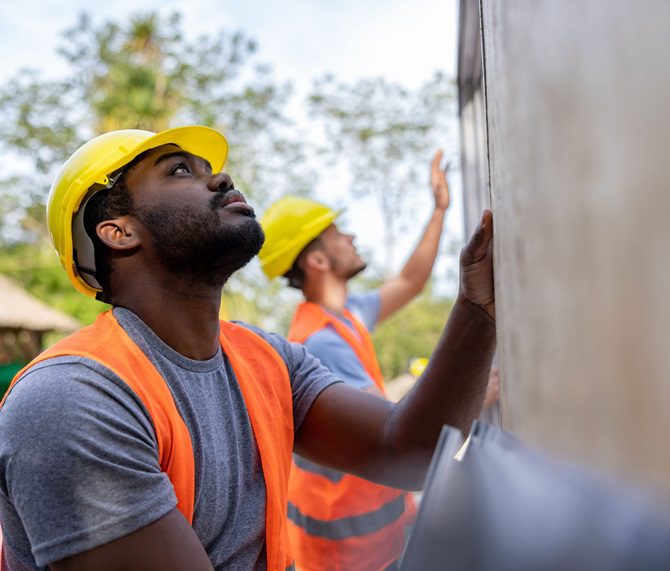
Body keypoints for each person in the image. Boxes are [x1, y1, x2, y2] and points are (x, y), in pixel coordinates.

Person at [0, 126, 496, 571]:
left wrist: (479, 311)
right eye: (179, 171)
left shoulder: (265, 358)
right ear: (119, 231)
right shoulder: (73, 399)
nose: (221, 179)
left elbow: (406, 450)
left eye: (211, 169)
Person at [258, 152, 451, 571]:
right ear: (318, 261)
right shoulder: (322, 342)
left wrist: (438, 211)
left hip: (372, 540)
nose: (351, 237)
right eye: (337, 233)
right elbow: (394, 432)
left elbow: (410, 281)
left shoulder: (344, 317)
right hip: (352, 553)